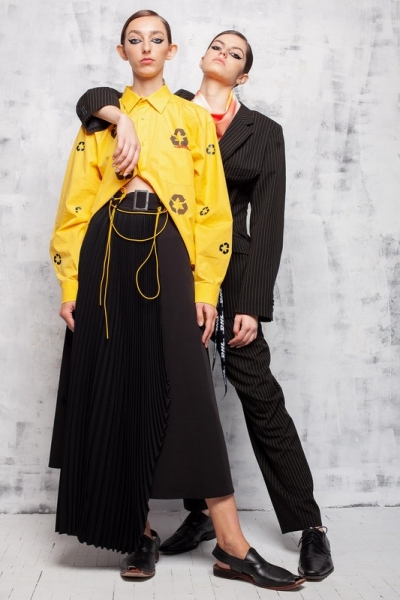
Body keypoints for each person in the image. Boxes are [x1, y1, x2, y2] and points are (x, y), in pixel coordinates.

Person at [49, 9, 304, 591]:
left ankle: (231, 545)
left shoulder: (191, 117)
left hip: (168, 250)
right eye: (134, 40)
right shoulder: (100, 117)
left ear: (172, 50)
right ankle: (135, 532)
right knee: (118, 385)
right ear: (122, 52)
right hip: (104, 253)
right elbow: (74, 206)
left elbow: (213, 209)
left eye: (157, 39)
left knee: (188, 389)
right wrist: (70, 284)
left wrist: (206, 287)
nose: (146, 47)